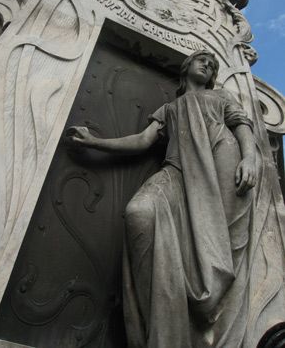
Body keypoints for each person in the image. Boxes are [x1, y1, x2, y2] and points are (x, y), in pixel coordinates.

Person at [67, 50, 256, 348]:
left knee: (219, 247)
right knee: (138, 211)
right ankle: (160, 327)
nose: (207, 64)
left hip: (223, 165)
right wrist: (95, 142)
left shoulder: (221, 97)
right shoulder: (170, 109)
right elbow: (142, 140)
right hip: (178, 172)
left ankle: (205, 321)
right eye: (201, 60)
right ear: (186, 67)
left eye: (213, 64)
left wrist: (249, 158)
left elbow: (242, 124)